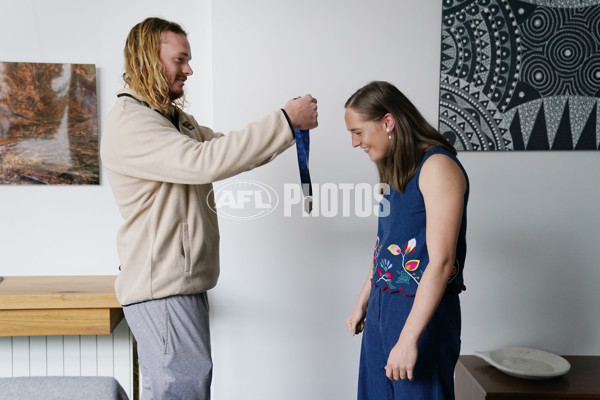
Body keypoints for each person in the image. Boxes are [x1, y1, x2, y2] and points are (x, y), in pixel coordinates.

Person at [100, 17, 317, 400]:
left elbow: (228, 151)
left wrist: (287, 130)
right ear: (150, 59)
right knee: (183, 391)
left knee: (171, 391)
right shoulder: (133, 123)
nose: (189, 69)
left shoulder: (172, 120)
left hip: (174, 284)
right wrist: (284, 120)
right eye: (180, 59)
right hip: (162, 290)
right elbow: (206, 160)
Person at [344, 81, 468, 400]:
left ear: (388, 122)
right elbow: (385, 245)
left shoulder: (438, 167)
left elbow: (441, 262)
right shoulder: (392, 171)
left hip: (420, 314)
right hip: (383, 308)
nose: (355, 143)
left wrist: (409, 337)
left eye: (358, 132)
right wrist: (363, 301)